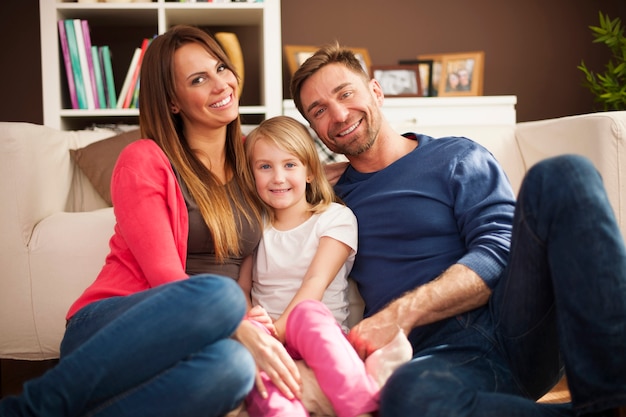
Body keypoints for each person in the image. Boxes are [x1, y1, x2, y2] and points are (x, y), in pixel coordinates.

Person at [289, 42, 626, 417]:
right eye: (319, 110)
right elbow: (247, 176)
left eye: (346, 93)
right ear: (314, 129)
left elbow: (499, 248)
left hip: (517, 319)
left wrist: (401, 313)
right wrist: (306, 173)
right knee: (409, 397)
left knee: (564, 174)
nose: (338, 114)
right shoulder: (327, 198)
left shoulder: (455, 156)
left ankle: (613, 396)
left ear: (376, 91)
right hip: (441, 358)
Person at [0, 25, 302, 417]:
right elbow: (164, 276)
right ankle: (29, 410)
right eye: (198, 79)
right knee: (220, 296)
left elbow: (307, 173)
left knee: (234, 367)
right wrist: (238, 323)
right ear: (173, 102)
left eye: (220, 68)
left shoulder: (254, 161)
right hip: (114, 326)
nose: (220, 84)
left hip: (202, 341)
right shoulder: (144, 159)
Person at [240, 115, 384, 417]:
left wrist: (280, 329)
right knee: (247, 345)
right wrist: (251, 321)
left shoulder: (335, 218)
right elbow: (242, 287)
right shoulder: (254, 225)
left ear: (309, 171)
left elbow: (315, 282)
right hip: (269, 337)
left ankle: (360, 406)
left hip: (319, 334)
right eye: (265, 167)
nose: (278, 177)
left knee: (307, 313)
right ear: (252, 175)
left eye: (289, 164)